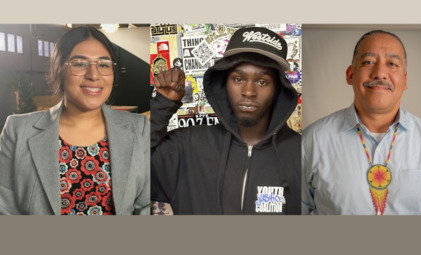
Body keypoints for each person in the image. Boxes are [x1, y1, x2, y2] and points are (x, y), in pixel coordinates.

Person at [0, 26, 150, 215]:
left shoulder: (139, 128)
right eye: (80, 64)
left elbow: (146, 206)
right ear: (59, 69)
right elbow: (4, 209)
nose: (93, 75)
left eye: (103, 65)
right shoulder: (18, 130)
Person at [151, 27, 301, 214]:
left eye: (262, 81)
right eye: (238, 79)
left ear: (278, 88)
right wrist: (163, 105)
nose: (248, 91)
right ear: (223, 83)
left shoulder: (302, 152)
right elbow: (130, 172)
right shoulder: (187, 145)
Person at [302, 30, 421, 215]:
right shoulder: (311, 141)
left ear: (404, 81)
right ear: (350, 75)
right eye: (368, 62)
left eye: (392, 64)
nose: (380, 72)